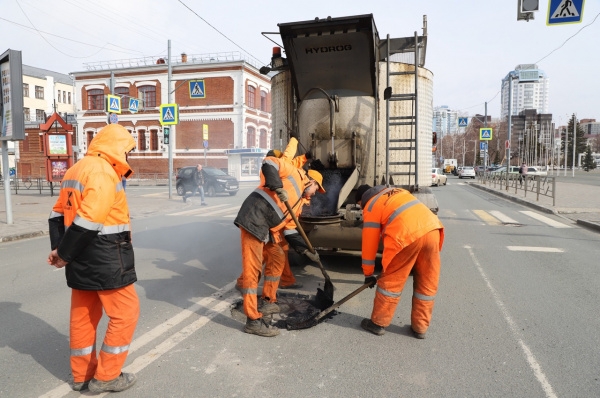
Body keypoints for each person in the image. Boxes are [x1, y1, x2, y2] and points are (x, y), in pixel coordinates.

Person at [47, 124, 139, 393]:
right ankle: (108, 375)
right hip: (106, 256)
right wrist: (63, 254)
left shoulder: (76, 169)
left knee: (83, 314)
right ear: (117, 147)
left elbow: (56, 215)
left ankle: (83, 375)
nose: (128, 157)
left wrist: (62, 250)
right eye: (128, 150)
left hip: (80, 256)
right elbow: (90, 220)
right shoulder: (103, 172)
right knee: (125, 313)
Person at [234, 153, 324, 337]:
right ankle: (252, 320)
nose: (315, 194)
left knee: (277, 257)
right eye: (317, 189)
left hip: (269, 228)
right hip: (254, 218)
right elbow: (269, 162)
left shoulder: (298, 203)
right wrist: (277, 186)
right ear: (312, 181)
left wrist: (307, 251)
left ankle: (268, 300)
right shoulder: (295, 174)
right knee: (253, 271)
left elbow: (291, 231)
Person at [355, 184, 444, 339]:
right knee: (427, 281)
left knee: (391, 282)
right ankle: (420, 327)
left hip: (406, 235)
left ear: (361, 201)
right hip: (432, 230)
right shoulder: (398, 191)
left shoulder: (371, 205)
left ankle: (378, 323)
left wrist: (368, 273)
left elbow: (369, 243)